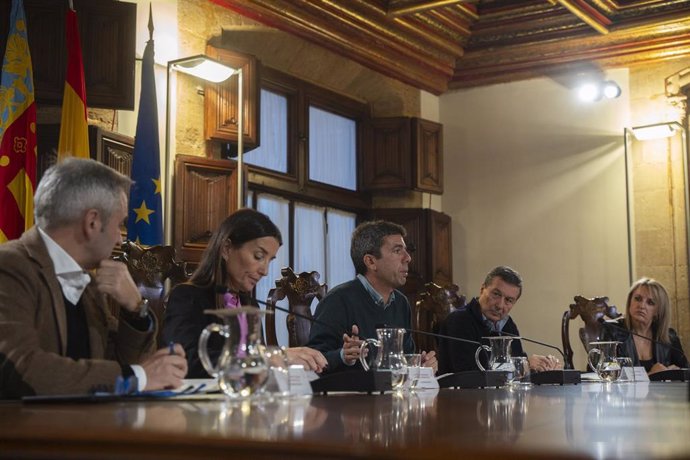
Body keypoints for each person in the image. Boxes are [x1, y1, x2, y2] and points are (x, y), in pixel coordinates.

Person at [0, 158, 187, 398]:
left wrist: (136, 309)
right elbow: (19, 369)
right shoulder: (10, 267)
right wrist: (137, 377)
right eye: (119, 225)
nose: (120, 240)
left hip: (89, 430)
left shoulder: (88, 284)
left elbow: (119, 363)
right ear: (92, 222)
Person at [163, 208, 327, 378]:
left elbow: (258, 368)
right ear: (226, 249)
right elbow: (186, 363)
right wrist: (272, 357)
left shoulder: (250, 304)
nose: (264, 271)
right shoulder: (186, 297)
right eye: (258, 256)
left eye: (269, 260)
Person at [306, 220, 438, 373]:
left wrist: (419, 365)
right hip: (351, 395)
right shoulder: (337, 300)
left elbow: (404, 358)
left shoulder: (401, 302)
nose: (407, 258)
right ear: (371, 261)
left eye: (406, 251)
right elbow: (313, 359)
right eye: (397, 250)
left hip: (392, 393)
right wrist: (343, 356)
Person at [438, 265, 561, 374]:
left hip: (501, 397)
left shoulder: (508, 324)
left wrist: (542, 368)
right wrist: (524, 365)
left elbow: (518, 375)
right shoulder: (459, 320)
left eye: (509, 300)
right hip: (462, 397)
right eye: (496, 294)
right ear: (482, 290)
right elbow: (469, 373)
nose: (500, 305)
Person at [605, 278, 687, 374]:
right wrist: (651, 376)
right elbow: (600, 373)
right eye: (638, 299)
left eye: (650, 302)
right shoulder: (612, 331)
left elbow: (685, 372)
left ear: (658, 311)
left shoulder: (670, 337)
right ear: (630, 301)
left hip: (663, 389)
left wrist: (676, 373)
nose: (642, 306)